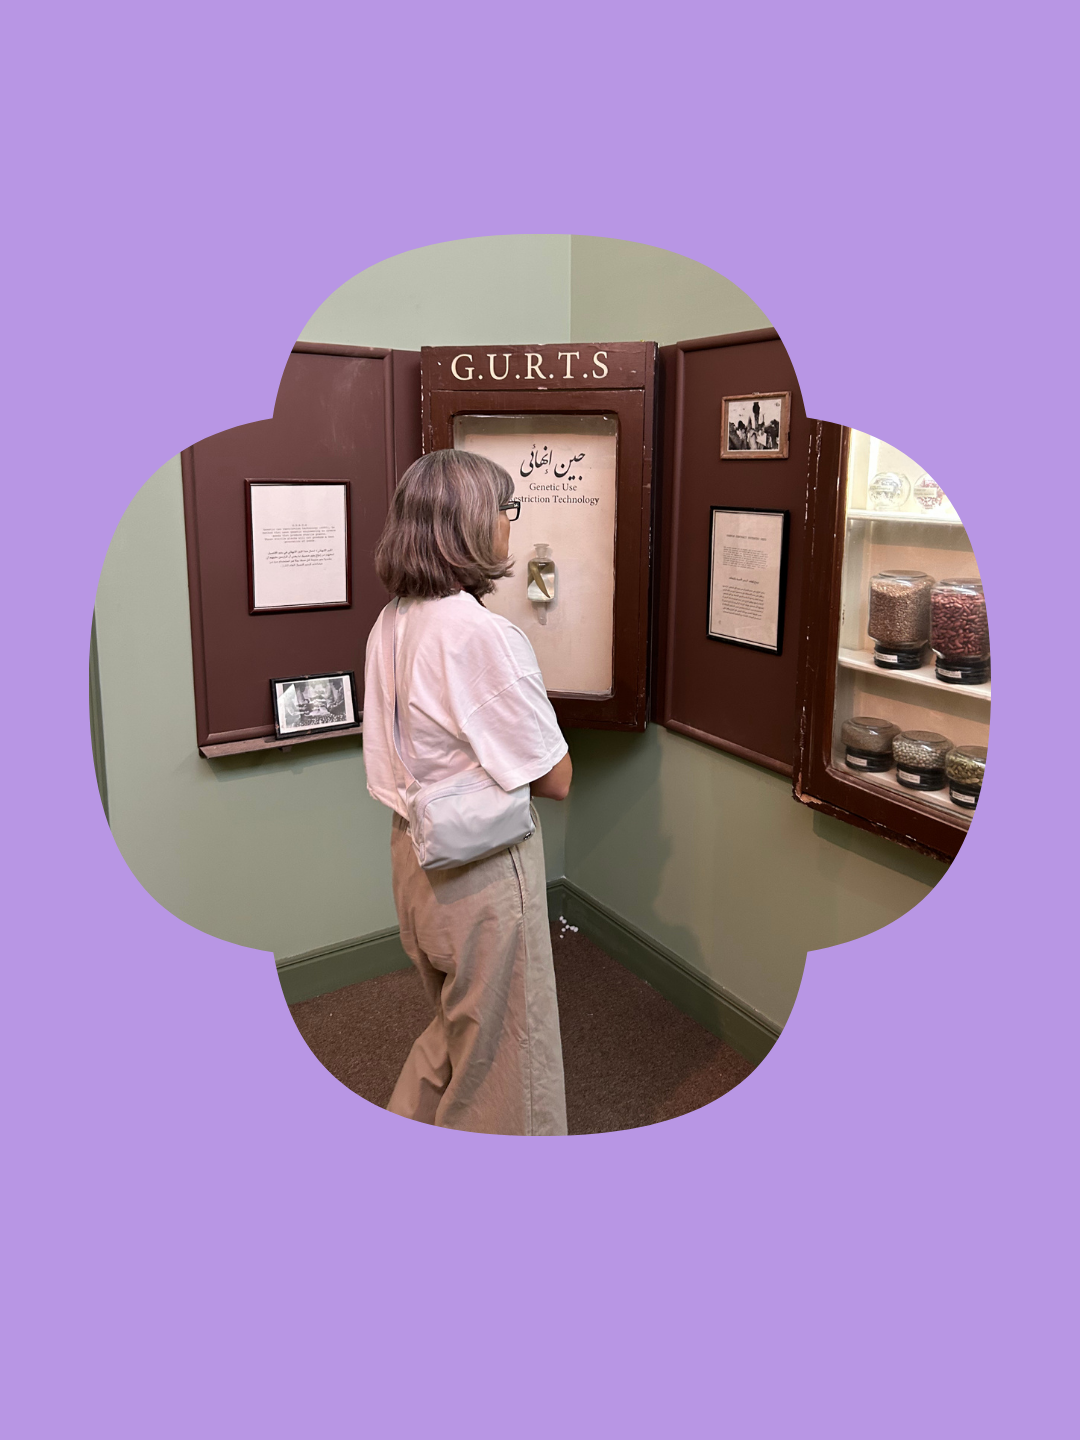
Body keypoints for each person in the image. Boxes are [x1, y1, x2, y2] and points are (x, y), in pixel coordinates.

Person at [362, 449, 572, 1135]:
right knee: (510, 1062)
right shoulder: (480, 634)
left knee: (457, 1033)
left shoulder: (392, 620)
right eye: (507, 510)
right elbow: (555, 778)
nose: (512, 524)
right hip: (481, 873)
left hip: (413, 857)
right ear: (476, 526)